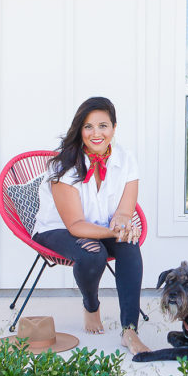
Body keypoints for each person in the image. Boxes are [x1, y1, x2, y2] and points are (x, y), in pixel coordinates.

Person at [32, 97, 150, 356]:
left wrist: (122, 225)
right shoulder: (63, 166)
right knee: (92, 251)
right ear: (79, 130)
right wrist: (116, 231)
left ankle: (129, 330)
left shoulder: (125, 159)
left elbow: (124, 210)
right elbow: (75, 225)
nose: (96, 133)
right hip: (57, 230)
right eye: (88, 127)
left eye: (103, 126)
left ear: (114, 128)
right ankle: (91, 306)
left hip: (100, 226)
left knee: (128, 246)